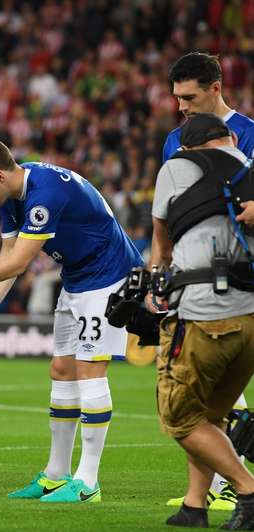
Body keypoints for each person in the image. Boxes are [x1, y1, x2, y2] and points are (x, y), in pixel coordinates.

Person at [0, 138, 143, 503]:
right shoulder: (11, 197)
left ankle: (87, 482)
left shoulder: (45, 193)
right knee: (62, 370)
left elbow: (19, 263)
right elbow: (8, 254)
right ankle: (56, 474)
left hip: (108, 279)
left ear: (0, 175)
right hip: (77, 277)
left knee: (89, 370)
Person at [149, 113, 254, 529]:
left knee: (179, 416)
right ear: (229, 139)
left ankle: (248, 489)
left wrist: (156, 283)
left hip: (205, 311)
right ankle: (195, 506)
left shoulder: (176, 167)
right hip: (251, 318)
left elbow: (161, 236)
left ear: (187, 147)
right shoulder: (250, 171)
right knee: (210, 416)